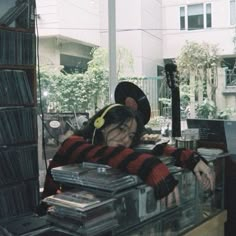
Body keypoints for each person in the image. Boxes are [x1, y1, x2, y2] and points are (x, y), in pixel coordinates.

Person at [41, 103, 214, 203]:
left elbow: (155, 147)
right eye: (121, 129)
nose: (125, 139)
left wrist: (190, 158)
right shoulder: (73, 144)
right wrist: (150, 166)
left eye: (130, 135)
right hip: (55, 218)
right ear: (101, 124)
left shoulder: (122, 148)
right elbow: (105, 154)